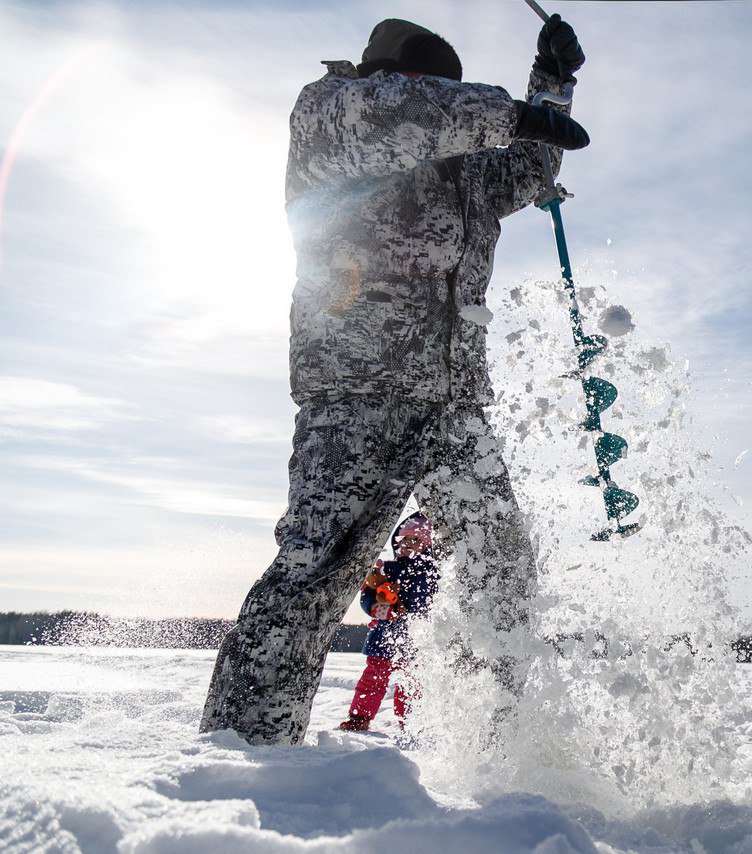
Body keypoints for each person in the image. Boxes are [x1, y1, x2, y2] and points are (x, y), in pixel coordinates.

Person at [201, 15, 590, 745]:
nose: (434, 96)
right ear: (385, 75)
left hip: (457, 405)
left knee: (503, 573)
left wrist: (553, 86)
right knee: (319, 572)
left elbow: (530, 166)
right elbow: (410, 118)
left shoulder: (466, 165)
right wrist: (511, 110)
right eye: (426, 84)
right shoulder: (335, 111)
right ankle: (244, 752)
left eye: (443, 86)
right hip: (359, 392)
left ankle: (494, 749)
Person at [340, 514, 439, 732]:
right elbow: (367, 596)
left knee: (410, 682)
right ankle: (360, 717)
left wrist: (400, 603)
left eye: (414, 540)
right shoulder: (386, 569)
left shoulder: (429, 571)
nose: (407, 545)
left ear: (426, 545)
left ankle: (411, 721)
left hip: (414, 636)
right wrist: (375, 605)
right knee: (373, 678)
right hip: (384, 636)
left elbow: (423, 599)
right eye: (403, 540)